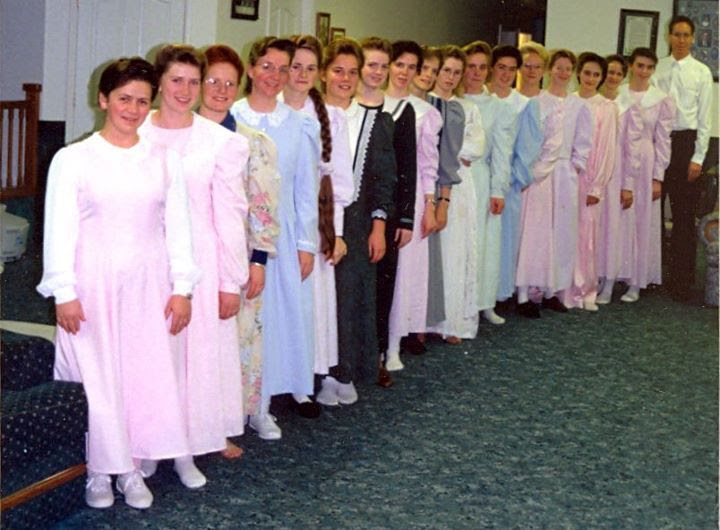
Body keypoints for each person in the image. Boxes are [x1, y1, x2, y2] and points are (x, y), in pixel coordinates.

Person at [37, 57, 200, 509]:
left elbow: (179, 230)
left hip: (149, 285)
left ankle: (131, 466)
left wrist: (182, 288)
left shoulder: (164, 160)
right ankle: (100, 471)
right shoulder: (73, 159)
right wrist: (64, 292)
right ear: (103, 99)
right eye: (124, 98)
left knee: (141, 377)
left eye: (142, 101)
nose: (132, 109)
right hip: (93, 286)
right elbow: (59, 230)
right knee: (99, 381)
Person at [139, 44, 249, 483]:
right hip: (146, 257)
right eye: (176, 80)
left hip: (200, 261)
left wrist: (231, 281)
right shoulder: (136, 129)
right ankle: (150, 441)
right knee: (151, 353)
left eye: (193, 81)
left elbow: (231, 214)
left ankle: (186, 447)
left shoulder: (221, 142)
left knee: (193, 356)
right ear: (159, 82)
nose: (185, 90)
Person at [231, 36, 320, 439]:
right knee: (236, 320)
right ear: (251, 69)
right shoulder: (231, 116)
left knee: (272, 320)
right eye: (266, 66)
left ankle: (262, 406)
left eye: (283, 69)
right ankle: (230, 407)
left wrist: (305, 243)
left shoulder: (299, 125)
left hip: (278, 237)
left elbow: (305, 189)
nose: (275, 76)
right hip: (235, 232)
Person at [198, 44, 281, 457]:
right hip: (190, 258)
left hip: (236, 259)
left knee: (231, 345)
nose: (221, 90)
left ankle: (220, 428)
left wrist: (258, 260)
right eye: (212, 80)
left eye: (229, 83)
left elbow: (264, 207)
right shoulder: (177, 135)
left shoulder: (254, 142)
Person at [318, 37, 396, 403]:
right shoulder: (308, 114)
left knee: (348, 297)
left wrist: (379, 226)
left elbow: (384, 177)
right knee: (318, 297)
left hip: (356, 220)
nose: (345, 79)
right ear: (324, 73)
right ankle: (315, 375)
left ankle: (343, 371)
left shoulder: (374, 120)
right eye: (338, 71)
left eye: (352, 72)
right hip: (314, 218)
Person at [281, 35, 354, 405]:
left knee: (310, 303)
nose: (302, 74)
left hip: (314, 223)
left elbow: (338, 181)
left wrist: (335, 233)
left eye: (311, 68)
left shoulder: (330, 117)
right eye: (296, 66)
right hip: (275, 220)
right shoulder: (268, 110)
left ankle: (303, 382)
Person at [514, 49, 592, 317]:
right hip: (539, 173)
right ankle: (524, 293)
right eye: (558, 67)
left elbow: (583, 142)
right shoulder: (537, 101)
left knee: (561, 233)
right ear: (550, 70)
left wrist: (574, 166)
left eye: (568, 69)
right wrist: (534, 171)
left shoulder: (578, 105)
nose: (563, 73)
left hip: (565, 175)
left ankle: (551, 291)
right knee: (535, 233)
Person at [357, 36, 416, 385]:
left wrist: (405, 217)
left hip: (386, 211)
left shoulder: (400, 111)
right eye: (371, 65)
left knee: (381, 285)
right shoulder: (343, 106)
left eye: (383, 65)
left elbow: (406, 167)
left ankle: (378, 355)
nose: (377, 72)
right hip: (351, 210)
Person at [384, 40, 442, 372]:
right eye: (399, 65)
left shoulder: (425, 112)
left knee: (403, 276)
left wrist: (430, 205)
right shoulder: (370, 102)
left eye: (412, 67)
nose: (405, 73)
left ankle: (393, 345)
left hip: (411, 198)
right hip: (377, 198)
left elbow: (429, 165)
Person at [427, 45, 485, 343]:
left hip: (458, 188)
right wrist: (451, 149)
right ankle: (424, 322)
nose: (450, 77)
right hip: (427, 183)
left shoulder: (467, 108)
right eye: (445, 70)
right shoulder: (423, 103)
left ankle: (452, 323)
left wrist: (447, 148)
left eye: (456, 72)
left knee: (454, 251)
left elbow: (477, 147)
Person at [653, 15, 713, 301]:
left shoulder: (701, 72)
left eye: (686, 35)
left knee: (684, 216)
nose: (680, 40)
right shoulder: (657, 68)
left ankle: (681, 281)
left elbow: (705, 120)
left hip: (686, 146)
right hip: (658, 142)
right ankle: (650, 275)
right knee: (651, 213)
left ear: (693, 38)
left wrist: (698, 157)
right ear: (668, 36)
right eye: (676, 34)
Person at [616, 47, 675, 302]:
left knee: (641, 220)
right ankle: (611, 275)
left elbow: (663, 140)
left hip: (646, 162)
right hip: (619, 159)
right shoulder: (618, 93)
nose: (644, 71)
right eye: (640, 65)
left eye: (649, 67)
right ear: (631, 66)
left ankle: (636, 282)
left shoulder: (660, 99)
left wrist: (657, 177)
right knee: (616, 218)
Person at [462, 41, 514, 326]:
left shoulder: (498, 107)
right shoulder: (450, 101)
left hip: (482, 179)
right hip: (454, 180)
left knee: (484, 242)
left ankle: (483, 302)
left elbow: (502, 152)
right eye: (471, 66)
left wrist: (498, 190)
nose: (476, 72)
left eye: (482, 67)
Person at [488, 44, 541, 307]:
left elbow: (528, 149)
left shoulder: (523, 105)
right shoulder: (481, 98)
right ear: (492, 68)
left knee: (503, 240)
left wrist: (511, 180)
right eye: (501, 67)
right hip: (478, 179)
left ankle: (497, 294)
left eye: (512, 69)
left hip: (507, 182)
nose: (506, 74)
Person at [564, 52, 617, 311]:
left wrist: (597, 186)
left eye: (596, 75)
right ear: (578, 73)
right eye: (587, 73)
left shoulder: (607, 107)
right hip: (566, 177)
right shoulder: (568, 102)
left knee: (587, 236)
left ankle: (585, 290)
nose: (591, 78)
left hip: (590, 178)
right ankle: (560, 288)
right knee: (564, 232)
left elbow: (607, 149)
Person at [596, 54, 642, 304]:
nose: (612, 77)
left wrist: (628, 185)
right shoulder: (593, 101)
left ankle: (609, 282)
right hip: (594, 172)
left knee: (613, 228)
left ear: (623, 77)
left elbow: (632, 148)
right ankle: (593, 278)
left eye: (618, 73)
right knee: (594, 228)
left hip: (617, 173)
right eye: (609, 72)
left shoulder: (628, 107)